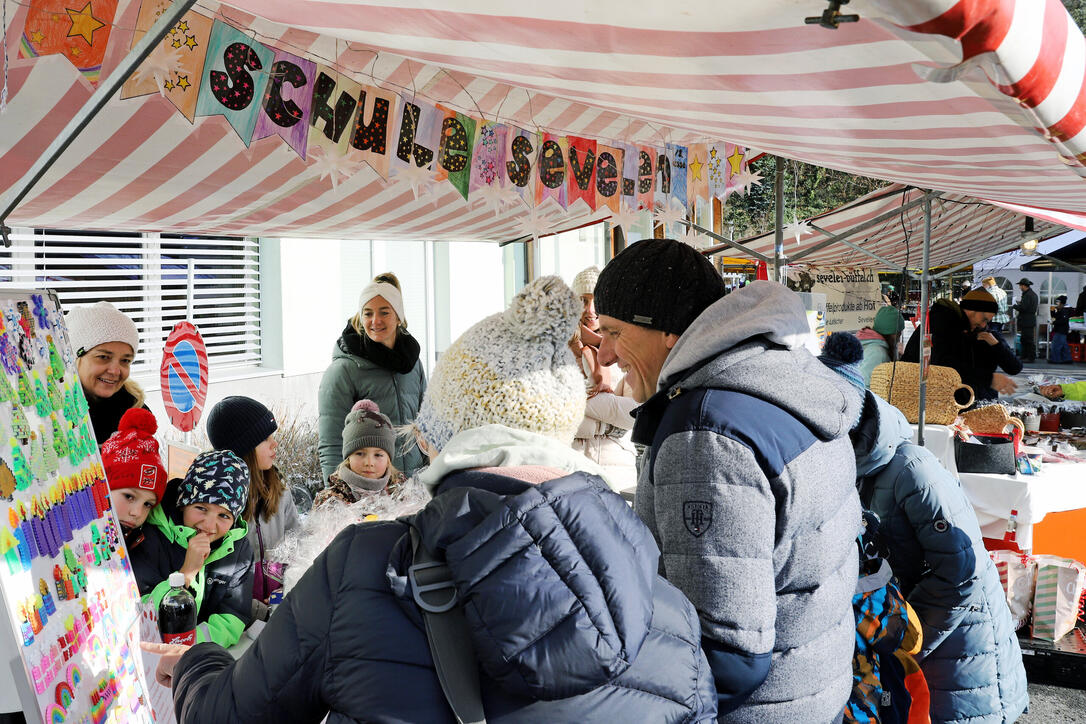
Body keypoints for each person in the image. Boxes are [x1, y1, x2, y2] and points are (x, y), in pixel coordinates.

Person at [143, 276, 717, 723]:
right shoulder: (668, 606)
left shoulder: (363, 564)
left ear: (444, 434)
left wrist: (196, 664)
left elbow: (233, 714)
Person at [594, 239, 863, 722]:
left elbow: (726, 655)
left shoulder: (706, 432)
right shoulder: (778, 378)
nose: (607, 354)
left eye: (614, 331)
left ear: (668, 333)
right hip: (810, 690)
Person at [821, 333, 1029, 723]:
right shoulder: (841, 466)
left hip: (959, 659)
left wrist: (904, 643)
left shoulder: (912, 468)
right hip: (919, 651)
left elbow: (960, 573)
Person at [131, 450, 254, 648]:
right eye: (202, 508)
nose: (209, 525)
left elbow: (232, 617)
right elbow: (141, 611)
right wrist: (185, 574)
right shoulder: (152, 534)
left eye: (224, 516)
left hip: (200, 656)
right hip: (151, 654)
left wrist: (190, 646)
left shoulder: (238, 549)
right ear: (183, 503)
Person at [318, 273, 426, 481]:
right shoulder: (343, 371)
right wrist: (336, 497)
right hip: (368, 490)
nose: (375, 321)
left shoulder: (412, 364)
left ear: (398, 316)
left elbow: (426, 426)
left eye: (384, 312)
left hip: (414, 487)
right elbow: (331, 444)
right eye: (368, 313)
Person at [205, 396, 298, 613]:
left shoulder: (279, 491)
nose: (275, 443)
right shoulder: (219, 506)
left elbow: (298, 544)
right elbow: (217, 574)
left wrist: (288, 589)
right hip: (237, 616)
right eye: (265, 439)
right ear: (243, 448)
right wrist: (254, 608)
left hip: (283, 604)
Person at [568, 265, 638, 489]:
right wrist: (606, 421)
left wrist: (572, 401)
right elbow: (544, 414)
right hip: (568, 463)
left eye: (596, 300)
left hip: (616, 466)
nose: (590, 310)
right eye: (583, 300)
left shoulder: (627, 349)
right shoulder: (556, 350)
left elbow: (635, 413)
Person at [902, 288, 1020, 400]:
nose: (984, 325)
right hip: (944, 401)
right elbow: (945, 365)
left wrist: (996, 344)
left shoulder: (982, 332)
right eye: (984, 319)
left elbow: (1014, 367)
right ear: (971, 310)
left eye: (988, 321)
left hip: (975, 402)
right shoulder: (943, 325)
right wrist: (989, 379)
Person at [65, 301, 146, 444]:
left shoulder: (136, 412)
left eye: (125, 360)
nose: (115, 371)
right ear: (74, 358)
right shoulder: (49, 413)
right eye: (103, 357)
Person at [313, 399, 407, 507]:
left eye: (378, 455)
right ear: (348, 457)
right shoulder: (330, 500)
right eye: (360, 454)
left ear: (388, 460)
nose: (369, 462)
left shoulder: (402, 493)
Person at [100, 408, 168, 551]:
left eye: (148, 504)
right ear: (104, 486)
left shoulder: (142, 542)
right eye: (129, 496)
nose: (137, 513)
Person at [856, 305, 905, 385]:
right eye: (898, 333)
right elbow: (866, 384)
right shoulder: (877, 353)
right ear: (892, 333)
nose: (899, 336)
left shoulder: (871, 344)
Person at [1012, 278, 1038, 362]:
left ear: (1023, 286)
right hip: (1029, 320)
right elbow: (1027, 305)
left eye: (1020, 285)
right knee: (1025, 339)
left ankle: (1030, 357)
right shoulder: (1031, 294)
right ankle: (1025, 356)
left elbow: (1024, 308)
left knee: (1027, 339)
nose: (1019, 287)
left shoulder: (1028, 295)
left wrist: (1015, 306)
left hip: (1027, 320)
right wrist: (1020, 303)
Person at [1048, 295, 1074, 364]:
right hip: (1062, 330)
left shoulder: (1064, 310)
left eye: (1058, 302)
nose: (1057, 304)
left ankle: (1056, 359)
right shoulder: (1061, 310)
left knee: (1056, 345)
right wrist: (1052, 311)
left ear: (1061, 303)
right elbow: (1055, 317)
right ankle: (1067, 359)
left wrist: (1054, 322)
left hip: (1061, 330)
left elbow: (1063, 320)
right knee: (1063, 345)